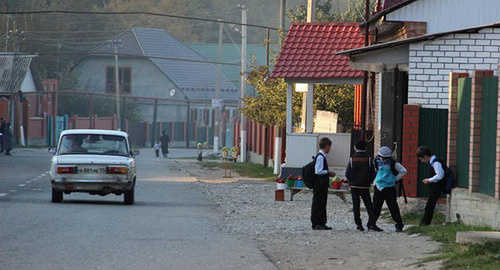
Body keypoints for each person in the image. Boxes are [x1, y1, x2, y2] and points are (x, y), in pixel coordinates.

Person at [345, 140, 381, 232]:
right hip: (365, 186)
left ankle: (358, 224)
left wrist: (351, 181)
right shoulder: (368, 159)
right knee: (369, 205)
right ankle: (372, 224)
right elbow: (373, 172)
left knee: (356, 205)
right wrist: (369, 181)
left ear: (355, 148)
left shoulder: (352, 158)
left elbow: (347, 173)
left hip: (354, 186)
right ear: (365, 148)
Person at [372, 146, 407, 232]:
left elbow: (403, 171)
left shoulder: (393, 163)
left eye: (385, 158)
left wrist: (395, 179)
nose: (383, 160)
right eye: (382, 158)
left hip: (389, 188)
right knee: (376, 207)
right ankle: (372, 224)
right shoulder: (376, 161)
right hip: (378, 187)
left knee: (393, 207)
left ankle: (399, 224)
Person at [416, 146, 446, 226]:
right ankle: (425, 222)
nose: (422, 161)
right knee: (430, 204)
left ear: (425, 156)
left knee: (430, 205)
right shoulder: (433, 162)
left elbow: (440, 175)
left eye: (421, 159)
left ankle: (425, 223)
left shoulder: (436, 163)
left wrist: (429, 180)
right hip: (435, 186)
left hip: (438, 186)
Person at [311, 137, 336, 230]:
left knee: (320, 202)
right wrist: (328, 172)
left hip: (320, 183)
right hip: (320, 183)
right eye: (329, 147)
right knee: (320, 203)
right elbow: (318, 171)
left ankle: (320, 222)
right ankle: (318, 223)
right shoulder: (321, 157)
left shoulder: (320, 156)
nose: (330, 149)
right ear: (326, 146)